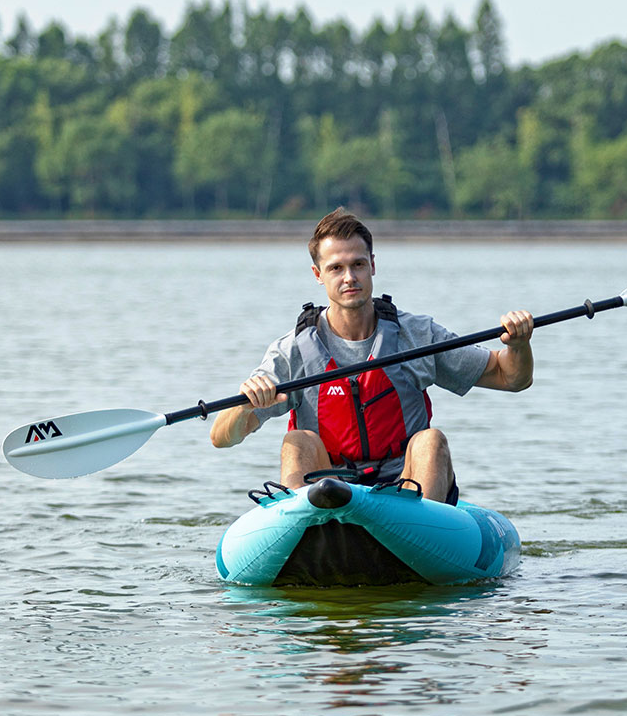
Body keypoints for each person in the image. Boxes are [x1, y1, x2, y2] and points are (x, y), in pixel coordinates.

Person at [210, 208, 534, 503]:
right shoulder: (293, 351)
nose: (349, 277)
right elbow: (221, 438)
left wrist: (518, 344)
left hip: (407, 489)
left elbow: (510, 377)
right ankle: (307, 528)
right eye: (336, 268)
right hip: (329, 491)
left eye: (358, 265)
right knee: (296, 442)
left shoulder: (416, 334)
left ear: (373, 265)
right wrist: (244, 406)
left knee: (431, 440)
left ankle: (422, 531)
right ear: (318, 274)